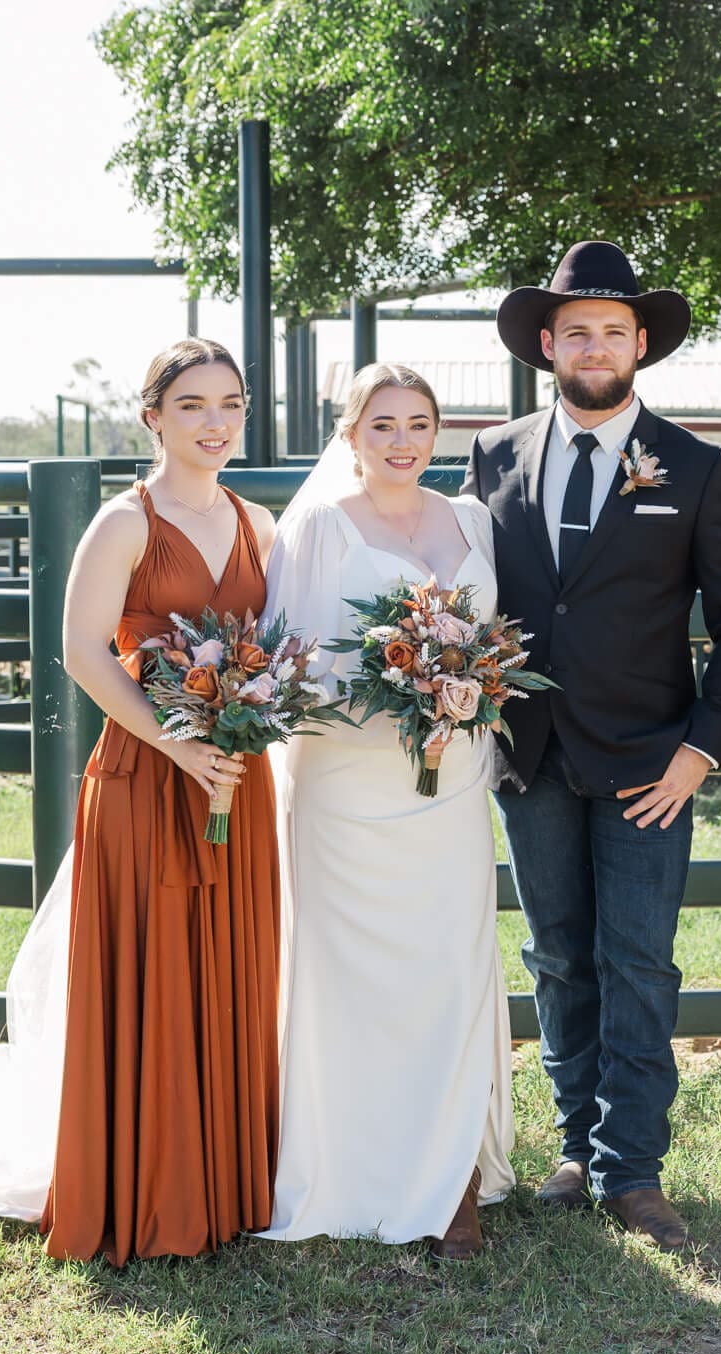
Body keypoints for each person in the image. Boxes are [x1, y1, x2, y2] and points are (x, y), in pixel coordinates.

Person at [0, 337, 283, 1266]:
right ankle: (145, 1185)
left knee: (231, 967)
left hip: (233, 777)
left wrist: (241, 727)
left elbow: (278, 644)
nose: (214, 422)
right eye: (193, 405)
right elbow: (83, 651)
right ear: (153, 417)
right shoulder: (125, 524)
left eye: (230, 404)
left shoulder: (259, 522)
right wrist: (177, 743)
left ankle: (225, 1181)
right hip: (146, 774)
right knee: (149, 967)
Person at [462, 241, 721, 1252]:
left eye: (612, 331)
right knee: (556, 955)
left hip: (650, 762)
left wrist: (700, 753)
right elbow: (468, 598)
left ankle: (631, 1167)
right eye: (575, 332)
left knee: (636, 960)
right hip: (529, 755)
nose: (593, 347)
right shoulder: (494, 456)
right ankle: (575, 1148)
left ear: (640, 345)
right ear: (546, 345)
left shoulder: (696, 466)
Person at [257, 363, 514, 1260]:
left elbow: (497, 644)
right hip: (349, 787)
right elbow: (288, 666)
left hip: (451, 785)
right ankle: (352, 1163)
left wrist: (463, 690)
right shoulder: (321, 525)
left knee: (450, 964)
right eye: (382, 425)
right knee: (354, 972)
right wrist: (397, 691)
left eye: (418, 424)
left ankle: (455, 1173)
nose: (403, 441)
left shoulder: (473, 519)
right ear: (350, 434)